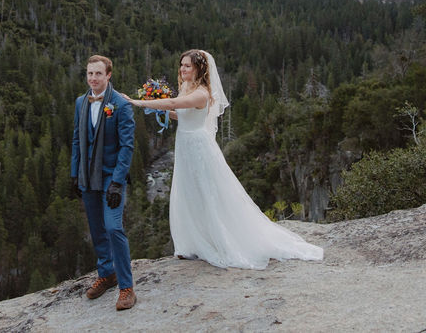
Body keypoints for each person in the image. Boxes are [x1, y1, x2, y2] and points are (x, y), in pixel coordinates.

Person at [127, 49, 323, 270]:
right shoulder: (185, 87)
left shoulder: (202, 92)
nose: (182, 69)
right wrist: (160, 111)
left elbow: (174, 105)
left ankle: (219, 241)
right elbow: (180, 113)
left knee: (207, 192)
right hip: (185, 145)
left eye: (188, 65)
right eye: (182, 65)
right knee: (189, 190)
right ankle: (196, 242)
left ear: (199, 68)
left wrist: (141, 103)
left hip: (198, 147)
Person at [70, 54, 137, 311]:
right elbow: (77, 139)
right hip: (88, 174)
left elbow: (127, 146)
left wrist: (118, 183)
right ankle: (106, 274)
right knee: (97, 228)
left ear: (109, 75)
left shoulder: (120, 104)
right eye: (89, 74)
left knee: (113, 227)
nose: (93, 79)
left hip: (111, 175)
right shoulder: (80, 103)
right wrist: (75, 174)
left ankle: (126, 286)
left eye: (98, 74)